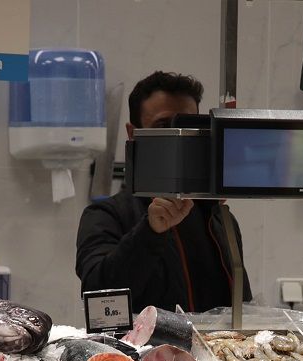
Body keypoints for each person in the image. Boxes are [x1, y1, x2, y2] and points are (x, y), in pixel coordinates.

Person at [75, 71, 251, 312]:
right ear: (132, 132)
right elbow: (97, 296)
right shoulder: (105, 215)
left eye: (188, 126)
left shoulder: (220, 218)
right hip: (138, 350)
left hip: (214, 348)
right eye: (163, 125)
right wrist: (150, 231)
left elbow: (240, 308)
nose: (178, 137)